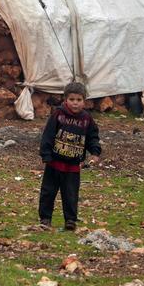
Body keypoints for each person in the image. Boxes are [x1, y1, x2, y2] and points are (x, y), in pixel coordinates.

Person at [38, 82, 101, 231]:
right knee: (48, 192)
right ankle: (45, 219)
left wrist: (95, 152)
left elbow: (92, 137)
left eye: (79, 100)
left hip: (73, 166)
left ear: (84, 101)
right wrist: (46, 154)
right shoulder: (58, 115)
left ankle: (70, 220)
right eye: (72, 99)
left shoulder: (87, 119)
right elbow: (48, 135)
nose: (75, 103)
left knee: (71, 194)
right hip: (54, 163)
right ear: (65, 100)